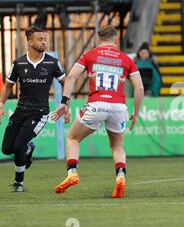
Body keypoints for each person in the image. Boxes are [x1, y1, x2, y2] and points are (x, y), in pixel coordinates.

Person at [51, 25, 144, 198]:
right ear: (115, 40)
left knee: (72, 138)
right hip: (118, 107)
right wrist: (136, 114)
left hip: (97, 104)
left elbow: (71, 77)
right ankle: (120, 176)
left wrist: (65, 102)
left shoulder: (90, 54)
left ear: (99, 39)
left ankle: (72, 172)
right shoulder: (126, 59)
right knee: (117, 146)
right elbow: (139, 89)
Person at [0, 26, 67, 192]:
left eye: (45, 39)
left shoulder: (52, 62)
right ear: (30, 42)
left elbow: (66, 82)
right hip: (20, 111)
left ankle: (19, 183)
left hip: (39, 113)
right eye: (40, 39)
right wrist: (1, 104)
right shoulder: (18, 63)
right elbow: (8, 86)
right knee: (6, 148)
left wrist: (66, 104)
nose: (44, 42)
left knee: (17, 147)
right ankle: (29, 148)